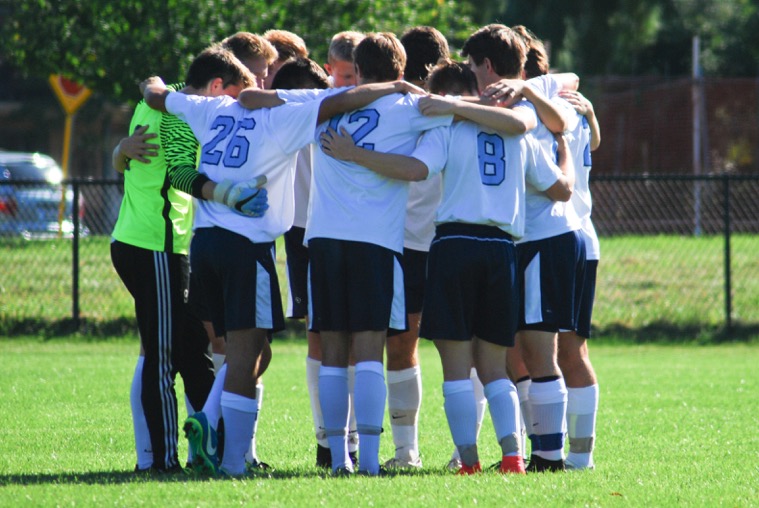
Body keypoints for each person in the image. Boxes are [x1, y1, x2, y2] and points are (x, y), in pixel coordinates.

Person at [142, 60, 426, 477]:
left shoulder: (211, 109)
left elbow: (155, 93)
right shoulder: (280, 119)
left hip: (204, 243)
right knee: (247, 352)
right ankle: (234, 462)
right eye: (255, 79)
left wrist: (155, 81)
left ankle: (211, 421)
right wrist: (391, 87)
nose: (261, 86)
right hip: (247, 248)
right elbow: (340, 100)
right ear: (236, 85)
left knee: (238, 350)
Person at [320, 48, 573, 476]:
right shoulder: (517, 131)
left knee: (456, 366)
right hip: (501, 250)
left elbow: (415, 170)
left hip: (454, 246)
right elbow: (561, 190)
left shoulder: (447, 129)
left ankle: (469, 462)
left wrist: (356, 154)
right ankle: (513, 457)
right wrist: (564, 147)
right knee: (494, 365)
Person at [290, 32, 453, 476]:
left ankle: (338, 457)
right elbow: (422, 164)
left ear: (357, 71)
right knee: (367, 353)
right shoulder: (410, 108)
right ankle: (371, 464)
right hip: (375, 243)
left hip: (322, 241)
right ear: (400, 72)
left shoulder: (325, 106)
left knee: (332, 354)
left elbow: (264, 102)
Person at [110, 47, 260, 474]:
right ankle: (159, 460)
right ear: (215, 87)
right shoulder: (179, 113)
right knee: (163, 355)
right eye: (232, 95)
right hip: (152, 245)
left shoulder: (162, 94)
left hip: (164, 246)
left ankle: (209, 452)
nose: (232, 106)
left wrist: (120, 149)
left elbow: (149, 87)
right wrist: (228, 194)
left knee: (194, 350)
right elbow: (177, 172)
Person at [380, 25, 451, 470]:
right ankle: (474, 450)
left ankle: (406, 451)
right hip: (449, 240)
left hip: (404, 243)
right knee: (464, 348)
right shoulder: (461, 107)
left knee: (400, 346)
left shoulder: (397, 107)